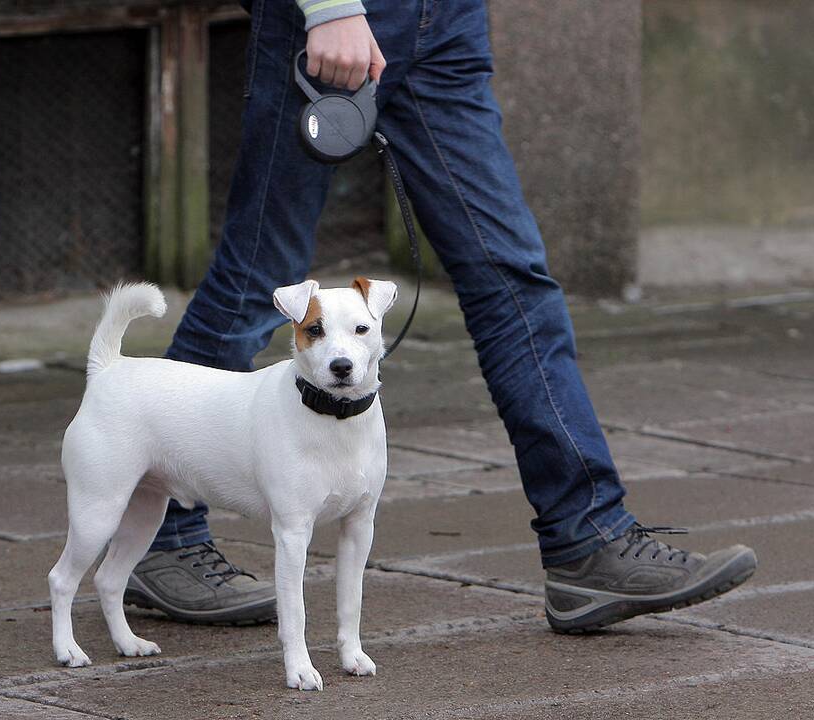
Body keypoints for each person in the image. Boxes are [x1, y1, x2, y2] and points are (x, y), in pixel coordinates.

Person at [123, 0, 757, 632]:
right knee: (259, 275)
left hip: (446, 20)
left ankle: (587, 539)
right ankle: (163, 533)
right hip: (340, 18)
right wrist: (328, 6)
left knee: (510, 275)